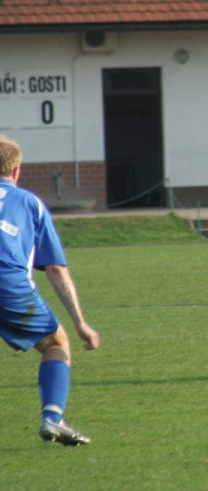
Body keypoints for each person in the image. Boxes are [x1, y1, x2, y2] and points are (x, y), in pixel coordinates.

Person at [0, 135, 100, 445]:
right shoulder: (29, 203)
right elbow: (55, 269)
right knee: (57, 342)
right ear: (16, 170)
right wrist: (80, 322)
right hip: (9, 289)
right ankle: (53, 418)